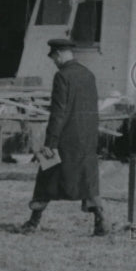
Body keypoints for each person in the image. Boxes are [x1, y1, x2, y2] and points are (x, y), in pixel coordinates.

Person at [17, 38, 108, 237]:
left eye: (54, 58)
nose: (54, 63)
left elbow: (58, 113)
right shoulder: (88, 75)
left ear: (59, 54)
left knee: (46, 176)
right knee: (88, 181)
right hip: (86, 139)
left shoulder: (62, 76)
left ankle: (33, 222)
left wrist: (50, 142)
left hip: (64, 139)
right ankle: (101, 222)